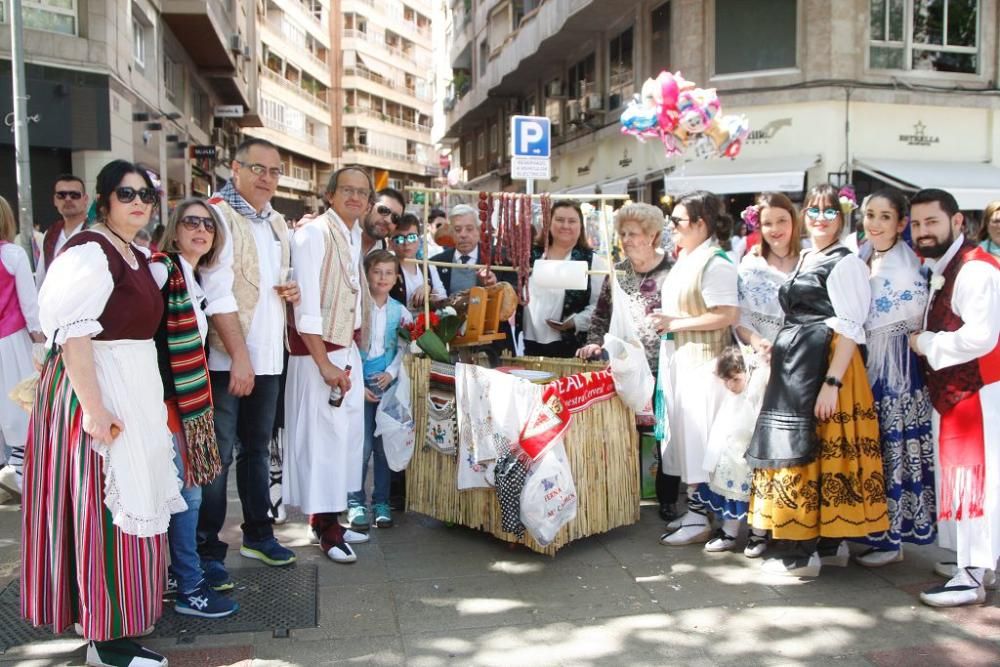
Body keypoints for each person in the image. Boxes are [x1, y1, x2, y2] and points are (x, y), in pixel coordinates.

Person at [21, 160, 186, 667]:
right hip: (96, 390)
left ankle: (112, 635)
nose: (138, 201)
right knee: (105, 512)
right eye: (126, 192)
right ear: (105, 198)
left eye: (146, 195)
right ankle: (106, 644)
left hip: (129, 386)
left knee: (128, 505)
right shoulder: (92, 250)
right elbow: (71, 333)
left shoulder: (134, 253)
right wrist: (93, 410)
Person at [746, 183, 888, 577]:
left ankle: (805, 551)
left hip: (827, 365)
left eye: (829, 212)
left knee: (821, 452)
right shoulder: (809, 255)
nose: (820, 219)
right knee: (804, 448)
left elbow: (850, 326)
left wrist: (833, 383)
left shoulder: (846, 262)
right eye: (813, 211)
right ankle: (825, 546)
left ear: (841, 217)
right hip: (797, 365)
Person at [198, 138, 299, 589]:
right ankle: (206, 551)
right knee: (217, 458)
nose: (267, 177)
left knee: (258, 451)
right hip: (226, 359)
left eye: (275, 171)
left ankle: (258, 534)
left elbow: (276, 283)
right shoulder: (217, 213)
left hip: (269, 357)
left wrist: (291, 294)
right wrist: (238, 356)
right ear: (235, 168)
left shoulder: (276, 221)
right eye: (258, 168)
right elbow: (215, 292)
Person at [907, 188, 1000, 608]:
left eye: (932, 222)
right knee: (972, 479)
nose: (923, 232)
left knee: (976, 480)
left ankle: (972, 575)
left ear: (957, 222)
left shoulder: (976, 271)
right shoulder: (948, 266)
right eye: (917, 224)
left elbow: (981, 336)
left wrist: (926, 343)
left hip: (979, 392)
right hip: (964, 392)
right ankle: (975, 562)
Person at [150, 199, 239, 618]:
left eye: (209, 224)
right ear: (174, 228)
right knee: (187, 494)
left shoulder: (189, 274)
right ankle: (189, 587)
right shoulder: (162, 270)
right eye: (191, 222)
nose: (201, 230)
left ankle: (178, 575)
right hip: (166, 404)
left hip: (184, 404)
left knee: (186, 494)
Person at [701, 192, 802, 556]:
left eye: (781, 221)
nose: (775, 229)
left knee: (779, 451)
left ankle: (766, 527)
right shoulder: (748, 264)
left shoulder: (806, 263)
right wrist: (757, 342)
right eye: (767, 223)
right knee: (739, 445)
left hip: (795, 368)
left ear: (794, 222)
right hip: (755, 364)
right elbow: (739, 319)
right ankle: (732, 526)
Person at [284, 166, 373, 563]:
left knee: (345, 440)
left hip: (345, 350)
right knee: (323, 442)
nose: (355, 198)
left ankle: (331, 517)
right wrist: (323, 364)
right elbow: (305, 307)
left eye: (362, 193)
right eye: (348, 191)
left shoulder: (353, 235)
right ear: (331, 195)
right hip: (320, 354)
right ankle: (326, 528)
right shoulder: (312, 234)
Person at [576, 203, 680, 523]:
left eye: (632, 234)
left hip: (666, 362)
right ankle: (628, 494)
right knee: (628, 432)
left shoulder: (673, 270)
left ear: (652, 236)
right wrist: (592, 342)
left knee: (665, 434)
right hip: (629, 365)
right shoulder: (620, 271)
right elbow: (601, 316)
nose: (626, 239)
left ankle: (667, 498)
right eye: (622, 233)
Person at [653, 191, 740, 547]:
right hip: (682, 358)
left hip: (704, 361)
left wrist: (676, 323)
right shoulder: (689, 257)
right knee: (686, 436)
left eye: (677, 221)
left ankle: (704, 514)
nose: (671, 227)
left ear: (700, 224)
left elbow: (727, 314)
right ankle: (695, 511)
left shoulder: (715, 263)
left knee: (701, 440)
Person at [854, 189, 935, 567]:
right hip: (867, 367)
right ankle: (872, 530)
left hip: (896, 374)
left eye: (885, 216)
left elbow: (908, 321)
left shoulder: (906, 266)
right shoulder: (865, 254)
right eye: (870, 214)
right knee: (873, 450)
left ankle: (891, 538)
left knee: (892, 451)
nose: (874, 223)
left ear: (901, 223)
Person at [346, 250, 413, 531]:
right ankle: (355, 501)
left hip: (387, 384)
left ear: (396, 277)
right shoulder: (356, 308)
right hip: (360, 383)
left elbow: (405, 347)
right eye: (377, 272)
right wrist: (358, 383)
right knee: (360, 447)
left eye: (388, 272)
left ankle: (381, 501)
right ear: (367, 274)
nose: (382, 278)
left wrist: (391, 373)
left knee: (384, 446)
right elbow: (348, 346)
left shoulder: (400, 311)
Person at [697, 346, 768, 554]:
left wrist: (762, 362)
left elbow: (762, 376)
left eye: (735, 379)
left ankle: (758, 535)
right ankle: (729, 532)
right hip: (730, 458)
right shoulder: (730, 397)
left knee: (755, 497)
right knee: (730, 496)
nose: (730, 385)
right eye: (726, 380)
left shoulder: (754, 393)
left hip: (750, 456)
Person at [522, 200, 607, 358]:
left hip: (571, 346)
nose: (565, 226)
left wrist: (575, 321)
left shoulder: (592, 261)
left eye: (572, 221)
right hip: (529, 343)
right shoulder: (529, 255)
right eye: (559, 220)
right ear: (549, 223)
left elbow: (600, 305)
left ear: (580, 226)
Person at [1, 196, 44, 495]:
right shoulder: (13, 254)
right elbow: (30, 304)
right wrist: (40, 336)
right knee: (20, 410)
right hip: (12, 341)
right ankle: (22, 478)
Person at [430, 204, 501, 295]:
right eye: (457, 229)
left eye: (469, 229)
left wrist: (495, 286)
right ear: (451, 232)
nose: (463, 235)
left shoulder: (498, 259)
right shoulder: (436, 263)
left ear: (479, 231)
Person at [35, 174, 90, 286]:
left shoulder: (98, 232)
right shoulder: (50, 234)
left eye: (74, 195)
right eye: (61, 195)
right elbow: (41, 278)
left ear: (85, 200)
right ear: (55, 200)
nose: (68, 199)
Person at [390, 213, 446, 313]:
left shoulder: (428, 267)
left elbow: (442, 300)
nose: (406, 243)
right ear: (391, 243)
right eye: (399, 239)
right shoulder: (387, 268)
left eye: (411, 237)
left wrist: (428, 289)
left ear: (419, 239)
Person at [362, 187, 405, 256]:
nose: (388, 220)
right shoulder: (343, 234)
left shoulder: (382, 251)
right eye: (384, 210)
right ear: (369, 207)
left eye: (395, 218)